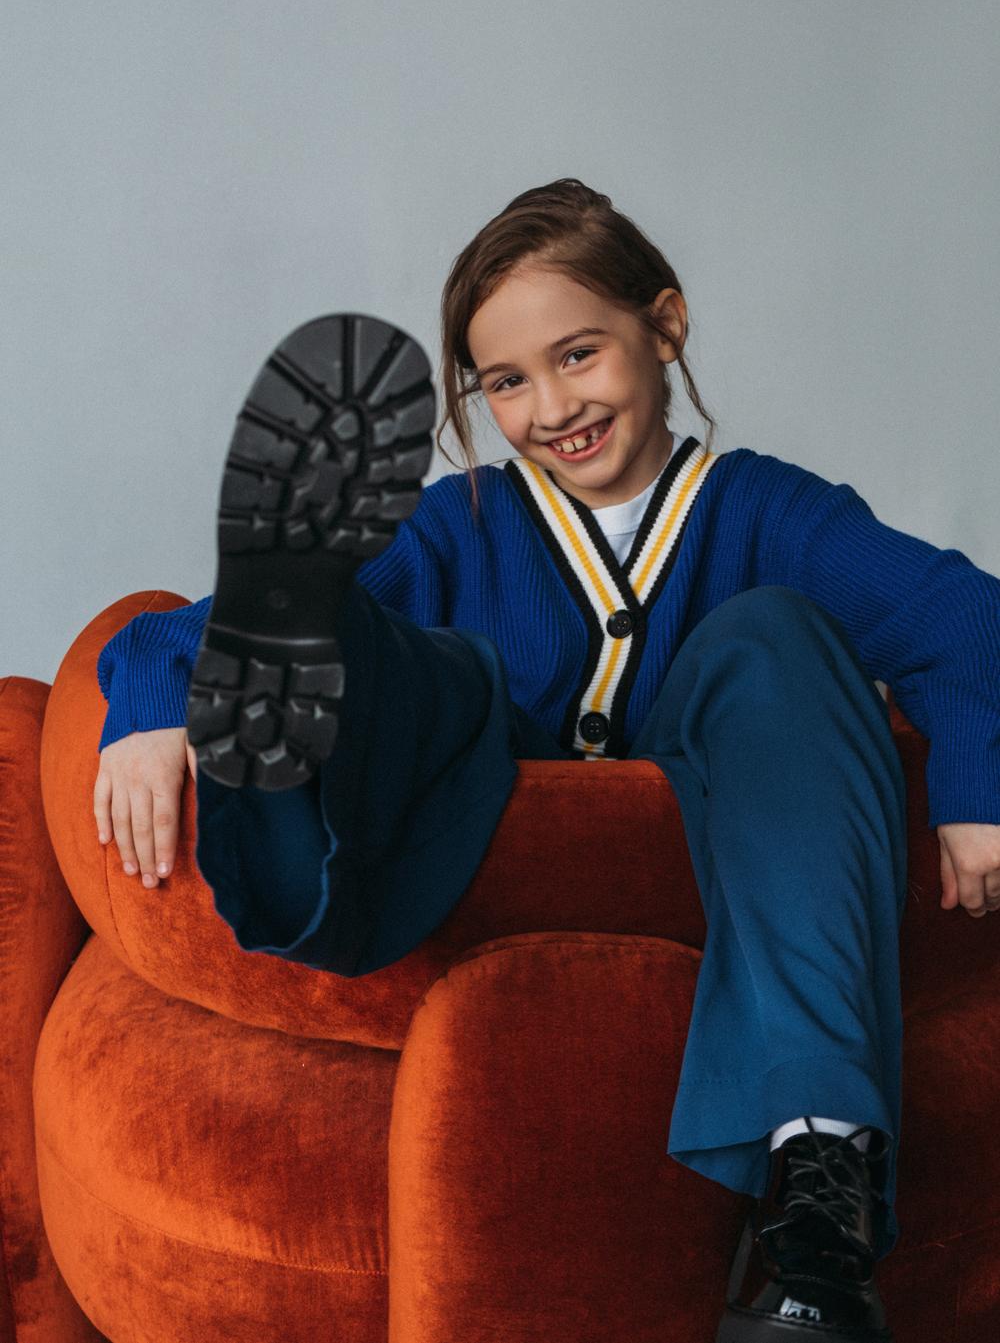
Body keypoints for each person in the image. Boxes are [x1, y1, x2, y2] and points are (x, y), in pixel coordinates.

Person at [92, 178, 1000, 1340]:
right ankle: (282, 790)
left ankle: (819, 1216)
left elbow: (965, 618)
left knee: (778, 633)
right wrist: (155, 700)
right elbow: (167, 629)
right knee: (424, 656)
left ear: (662, 325)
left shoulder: (767, 509)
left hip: (721, 815)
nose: (552, 406)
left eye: (578, 354)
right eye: (507, 382)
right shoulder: (461, 520)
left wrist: (972, 780)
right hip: (463, 803)